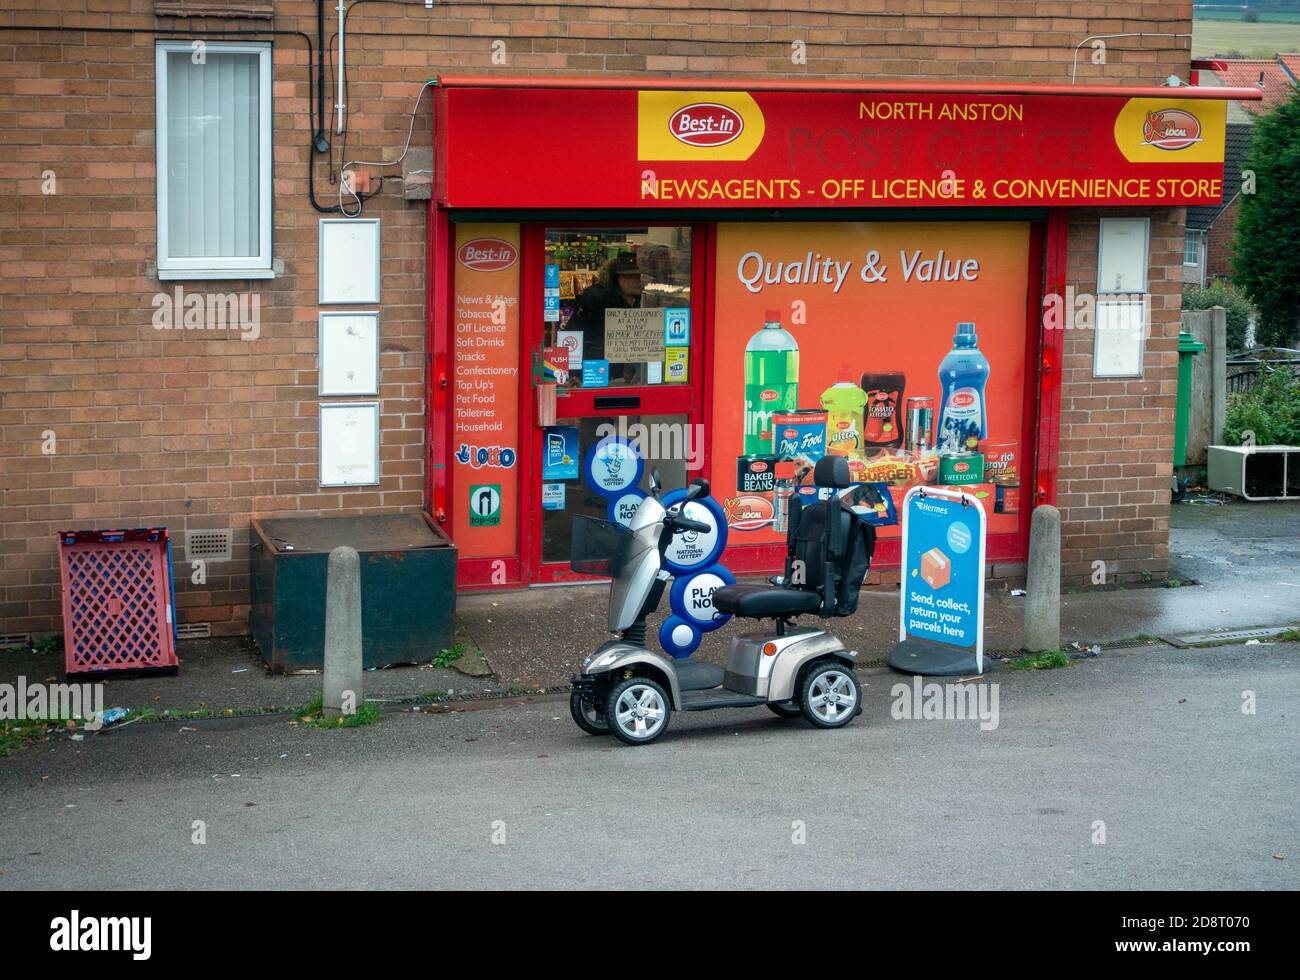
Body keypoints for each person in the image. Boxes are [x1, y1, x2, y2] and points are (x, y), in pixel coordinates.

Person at [566, 251, 645, 384]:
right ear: (617, 278)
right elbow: (574, 336)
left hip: (629, 376)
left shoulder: (643, 300)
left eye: (640, 275)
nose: (638, 280)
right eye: (632, 276)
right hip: (595, 372)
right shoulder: (596, 299)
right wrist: (575, 374)